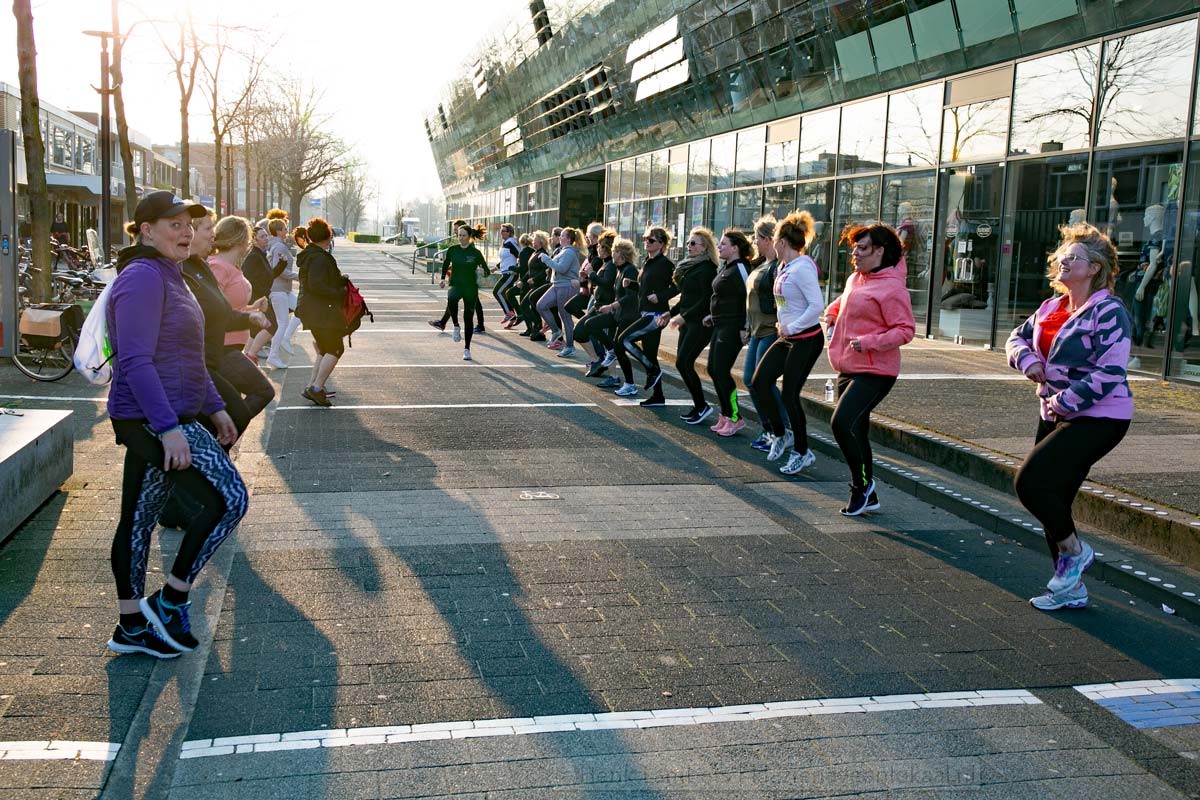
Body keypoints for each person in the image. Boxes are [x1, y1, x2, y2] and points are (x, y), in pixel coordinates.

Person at [104, 190, 248, 659]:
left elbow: (187, 355)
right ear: (146, 230)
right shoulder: (144, 278)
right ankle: (171, 598)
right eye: (175, 224)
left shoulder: (172, 274)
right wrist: (167, 428)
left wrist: (215, 404)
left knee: (140, 517)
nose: (186, 231)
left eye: (189, 223)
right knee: (228, 499)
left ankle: (130, 626)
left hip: (173, 411)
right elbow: (137, 360)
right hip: (149, 417)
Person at [1006, 223, 1133, 612]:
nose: (1063, 261)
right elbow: (1016, 338)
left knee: (1031, 483)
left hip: (1100, 416)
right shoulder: (1052, 307)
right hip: (1055, 410)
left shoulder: (1109, 311)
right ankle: (1070, 587)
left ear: (1094, 268)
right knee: (1055, 497)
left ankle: (1074, 554)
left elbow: (1111, 372)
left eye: (1074, 257)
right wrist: (1026, 360)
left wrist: (1062, 403)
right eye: (1062, 256)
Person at [824, 223, 915, 516]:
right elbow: (845, 302)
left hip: (877, 370)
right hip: (847, 365)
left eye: (862, 248)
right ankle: (867, 491)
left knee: (841, 423)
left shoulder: (892, 288)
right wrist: (831, 314)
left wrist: (870, 342)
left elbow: (905, 330)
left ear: (880, 251)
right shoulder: (856, 279)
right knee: (857, 430)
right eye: (854, 247)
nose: (855, 253)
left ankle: (860, 487)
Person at [752, 211, 825, 475]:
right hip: (787, 337)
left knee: (790, 394)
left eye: (774, 241)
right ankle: (781, 434)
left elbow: (817, 305)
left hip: (806, 339)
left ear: (782, 242)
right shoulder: (784, 266)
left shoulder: (803, 267)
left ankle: (802, 451)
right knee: (759, 382)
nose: (772, 244)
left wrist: (792, 326)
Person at [208, 217, 276, 420]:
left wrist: (252, 308)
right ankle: (219, 444)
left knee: (230, 407)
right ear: (241, 240)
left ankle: (220, 445)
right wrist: (250, 315)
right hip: (222, 347)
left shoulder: (231, 267)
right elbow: (213, 308)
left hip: (234, 346)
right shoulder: (218, 266)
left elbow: (228, 307)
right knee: (263, 391)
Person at [663, 228, 718, 423]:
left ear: (705, 248)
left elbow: (705, 301)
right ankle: (699, 405)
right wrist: (670, 313)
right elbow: (686, 298)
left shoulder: (708, 269)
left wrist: (683, 317)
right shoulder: (690, 267)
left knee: (684, 362)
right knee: (683, 363)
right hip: (687, 321)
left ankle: (702, 405)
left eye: (694, 243)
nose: (689, 246)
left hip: (700, 324)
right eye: (688, 243)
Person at [618, 226, 677, 406]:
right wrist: (632, 284)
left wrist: (661, 296)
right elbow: (645, 290)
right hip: (645, 311)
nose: (647, 242)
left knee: (624, 340)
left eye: (651, 240)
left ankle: (651, 370)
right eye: (645, 239)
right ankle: (658, 396)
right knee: (650, 353)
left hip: (656, 315)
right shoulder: (647, 262)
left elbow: (678, 287)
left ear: (661, 244)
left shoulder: (666, 264)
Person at [296, 218, 349, 404]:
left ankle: (313, 385)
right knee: (335, 348)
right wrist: (338, 292)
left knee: (324, 349)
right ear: (327, 237)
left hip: (312, 310)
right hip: (322, 311)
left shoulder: (310, 255)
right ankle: (316, 388)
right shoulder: (319, 258)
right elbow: (317, 284)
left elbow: (317, 281)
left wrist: (339, 280)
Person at [705, 229, 752, 435]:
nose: (719, 247)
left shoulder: (741, 268)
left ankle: (735, 417)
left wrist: (745, 326)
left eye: (723, 244)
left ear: (735, 248)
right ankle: (725, 413)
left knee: (722, 370)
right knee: (713, 369)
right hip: (720, 324)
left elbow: (750, 299)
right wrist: (712, 315)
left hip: (733, 327)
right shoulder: (726, 267)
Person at [745, 216, 785, 451]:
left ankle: (778, 428)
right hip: (757, 330)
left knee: (761, 381)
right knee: (752, 380)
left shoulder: (777, 268)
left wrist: (784, 322)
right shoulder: (760, 264)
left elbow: (782, 299)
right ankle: (770, 427)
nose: (754, 242)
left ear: (768, 239)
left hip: (771, 329)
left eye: (756, 238)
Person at [430, 223, 488, 360]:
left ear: (469, 237)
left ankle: (467, 349)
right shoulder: (453, 250)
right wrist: (443, 278)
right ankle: (456, 325)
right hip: (456, 284)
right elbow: (445, 264)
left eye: (463, 235)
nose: (460, 238)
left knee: (468, 319)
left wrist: (482, 272)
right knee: (452, 298)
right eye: (459, 235)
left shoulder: (475, 253)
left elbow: (486, 270)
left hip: (470, 287)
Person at [594, 237, 642, 391]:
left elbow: (630, 296)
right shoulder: (619, 270)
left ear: (621, 254)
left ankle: (630, 384)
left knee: (621, 347)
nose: (612, 253)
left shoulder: (630, 270)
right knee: (590, 325)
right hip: (617, 314)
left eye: (614, 251)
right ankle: (611, 351)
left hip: (629, 316)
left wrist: (611, 306)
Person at [576, 228, 620, 377]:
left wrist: (591, 274)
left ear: (606, 249)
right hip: (598, 305)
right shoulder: (604, 263)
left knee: (607, 344)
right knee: (580, 331)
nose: (598, 249)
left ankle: (614, 376)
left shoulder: (612, 265)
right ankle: (596, 360)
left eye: (600, 246)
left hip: (606, 308)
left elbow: (606, 283)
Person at [537, 227, 583, 357]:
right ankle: (556, 331)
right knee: (541, 305)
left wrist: (547, 260)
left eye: (562, 236)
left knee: (565, 317)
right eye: (560, 235)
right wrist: (549, 261)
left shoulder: (569, 252)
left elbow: (562, 269)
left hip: (567, 286)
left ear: (568, 239)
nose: (559, 237)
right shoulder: (563, 251)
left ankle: (570, 346)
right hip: (557, 285)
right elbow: (557, 266)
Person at [267, 218, 302, 366]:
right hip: (278, 290)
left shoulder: (278, 245)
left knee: (302, 310)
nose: (287, 231)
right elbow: (279, 270)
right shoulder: (278, 247)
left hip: (283, 290)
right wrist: (298, 277)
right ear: (278, 231)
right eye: (285, 229)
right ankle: (273, 355)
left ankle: (285, 338)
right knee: (282, 323)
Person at [240, 225, 276, 365]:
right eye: (262, 236)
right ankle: (251, 354)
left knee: (256, 329)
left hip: (262, 297)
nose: (266, 238)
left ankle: (246, 358)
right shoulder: (254, 256)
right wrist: (259, 294)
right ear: (254, 240)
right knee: (272, 325)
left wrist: (282, 265)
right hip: (257, 299)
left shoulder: (261, 254)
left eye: (266, 235)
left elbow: (269, 275)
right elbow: (246, 277)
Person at [519, 231, 553, 341]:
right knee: (527, 305)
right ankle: (534, 328)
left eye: (534, 240)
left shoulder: (543, 254)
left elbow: (546, 271)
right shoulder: (535, 253)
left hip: (540, 284)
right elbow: (530, 270)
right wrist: (523, 280)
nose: (532, 241)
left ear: (540, 241)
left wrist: (535, 279)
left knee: (527, 303)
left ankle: (537, 327)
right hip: (532, 285)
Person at [503, 233, 534, 329]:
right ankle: (527, 322)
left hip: (524, 281)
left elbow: (523, 268)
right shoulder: (531, 251)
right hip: (528, 280)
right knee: (513, 295)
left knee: (513, 296)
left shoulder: (524, 252)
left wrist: (512, 267)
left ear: (521, 242)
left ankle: (528, 324)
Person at [493, 222, 520, 325]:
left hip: (510, 274)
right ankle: (512, 316)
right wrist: (495, 267)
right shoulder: (505, 243)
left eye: (503, 231)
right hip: (505, 273)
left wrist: (516, 268)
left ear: (509, 233)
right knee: (503, 293)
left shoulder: (511, 242)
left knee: (497, 292)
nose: (501, 233)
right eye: (501, 231)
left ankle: (509, 313)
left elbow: (521, 255)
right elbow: (506, 259)